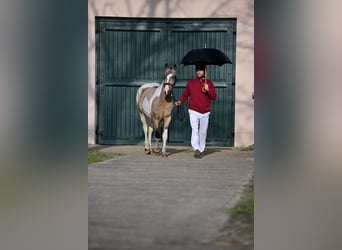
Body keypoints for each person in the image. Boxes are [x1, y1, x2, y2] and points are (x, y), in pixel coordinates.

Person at [175, 64, 217, 158]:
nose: (199, 72)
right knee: (194, 130)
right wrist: (179, 101)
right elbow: (185, 95)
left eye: (201, 70)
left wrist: (208, 90)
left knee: (203, 132)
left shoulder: (209, 83)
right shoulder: (191, 83)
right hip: (193, 111)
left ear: (205, 71)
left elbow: (214, 97)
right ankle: (196, 149)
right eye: (197, 70)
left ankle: (201, 149)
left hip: (205, 111)